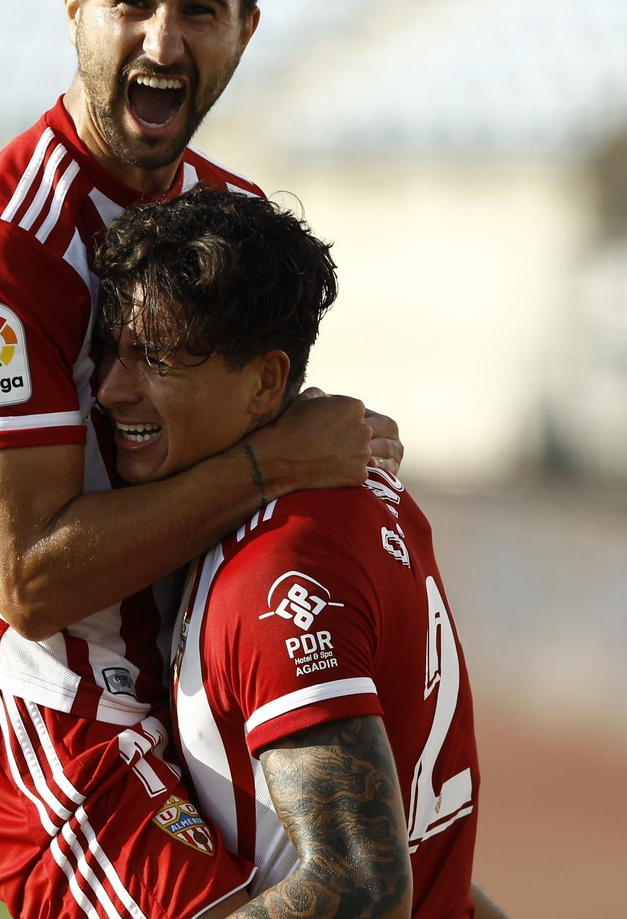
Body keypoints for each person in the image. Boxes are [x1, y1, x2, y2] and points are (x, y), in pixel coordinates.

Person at [0, 0, 399, 919]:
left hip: (204, 690)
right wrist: (273, 464)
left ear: (246, 32)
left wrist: (328, 447)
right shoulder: (0, 253)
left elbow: (284, 439)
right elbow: (31, 579)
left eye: (200, 10)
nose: (163, 42)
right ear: (74, 4)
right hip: (66, 723)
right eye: (131, 0)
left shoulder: (234, 217)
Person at [93, 188, 500, 918]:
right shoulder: (369, 491)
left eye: (154, 357)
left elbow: (363, 889)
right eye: (112, 352)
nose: (111, 390)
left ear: (267, 382)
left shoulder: (279, 574)